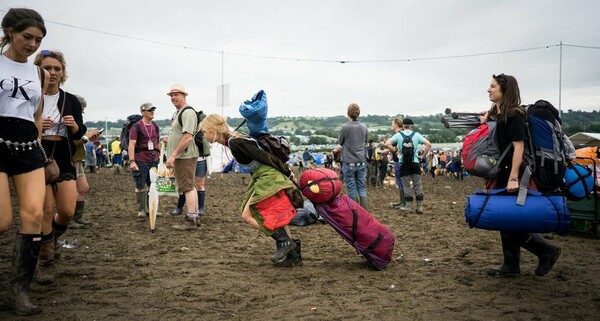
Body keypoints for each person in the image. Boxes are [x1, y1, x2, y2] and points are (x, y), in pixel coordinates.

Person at [481, 73, 561, 277]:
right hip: (503, 173)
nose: (488, 89)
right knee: (506, 218)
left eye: (492, 86)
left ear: (504, 90)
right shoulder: (499, 114)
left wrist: (514, 177)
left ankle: (546, 251)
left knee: (510, 219)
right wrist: (486, 119)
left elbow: (519, 147)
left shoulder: (514, 115)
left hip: (513, 173)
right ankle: (511, 263)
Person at [199, 114, 302, 266]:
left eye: (205, 131)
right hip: (264, 177)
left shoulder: (236, 142)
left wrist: (287, 172)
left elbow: (265, 157)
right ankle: (293, 254)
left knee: (247, 215)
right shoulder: (234, 141)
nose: (204, 135)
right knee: (276, 214)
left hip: (269, 177)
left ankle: (285, 242)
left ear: (213, 130)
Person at [0, 8, 48, 316]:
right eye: (26, 37)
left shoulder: (39, 73)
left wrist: (39, 143)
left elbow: (37, 113)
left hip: (28, 143)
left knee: (33, 215)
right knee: (2, 220)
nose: (32, 45)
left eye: (38, 40)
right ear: (9, 31)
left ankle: (18, 291)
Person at [33, 49, 87, 284]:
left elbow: (81, 133)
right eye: (47, 68)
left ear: (63, 72)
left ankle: (50, 240)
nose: (52, 73)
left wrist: (74, 126)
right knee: (45, 210)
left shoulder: (70, 100)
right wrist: (38, 127)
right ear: (38, 70)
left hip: (64, 157)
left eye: (57, 69)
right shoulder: (33, 96)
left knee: (67, 211)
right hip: (38, 155)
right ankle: (45, 261)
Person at [165, 85, 200, 230]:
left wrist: (173, 155)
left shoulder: (187, 112)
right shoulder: (180, 112)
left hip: (185, 156)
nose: (173, 98)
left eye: (176, 95)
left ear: (184, 96)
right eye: (171, 95)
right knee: (190, 186)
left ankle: (191, 219)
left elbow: (187, 137)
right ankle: (195, 216)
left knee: (187, 188)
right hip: (183, 156)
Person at [385, 118, 431, 214]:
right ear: (412, 126)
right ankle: (419, 207)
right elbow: (428, 144)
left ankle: (408, 207)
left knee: (406, 185)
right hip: (415, 163)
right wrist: (422, 156)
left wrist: (395, 151)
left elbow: (387, 144)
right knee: (417, 184)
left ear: (403, 126)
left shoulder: (398, 135)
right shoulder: (417, 135)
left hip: (403, 163)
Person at [69, 94, 101, 228]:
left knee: (83, 188)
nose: (82, 111)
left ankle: (77, 217)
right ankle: (69, 219)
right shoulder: (68, 122)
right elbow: (69, 142)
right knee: (71, 190)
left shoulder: (75, 123)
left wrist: (88, 137)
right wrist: (86, 138)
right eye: (81, 108)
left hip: (77, 159)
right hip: (70, 159)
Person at [128, 103, 160, 218]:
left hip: (153, 159)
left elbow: (157, 142)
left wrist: (159, 156)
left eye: (153, 109)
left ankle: (151, 209)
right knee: (140, 184)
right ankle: (141, 210)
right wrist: (132, 161)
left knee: (152, 185)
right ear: (143, 112)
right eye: (149, 110)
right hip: (140, 159)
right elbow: (131, 144)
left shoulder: (155, 126)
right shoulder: (136, 127)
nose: (152, 112)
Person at [334, 103, 368, 209]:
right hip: (361, 161)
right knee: (362, 187)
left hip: (349, 162)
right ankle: (364, 210)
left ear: (348, 113)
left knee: (351, 188)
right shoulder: (364, 127)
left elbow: (340, 142)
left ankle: (355, 211)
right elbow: (365, 141)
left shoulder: (345, 127)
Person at [387, 117, 406, 208]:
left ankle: (403, 202)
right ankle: (402, 201)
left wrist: (394, 151)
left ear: (396, 124)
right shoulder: (402, 134)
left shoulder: (398, 135)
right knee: (400, 181)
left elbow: (390, 145)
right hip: (400, 160)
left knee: (400, 181)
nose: (391, 124)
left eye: (392, 123)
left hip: (398, 161)